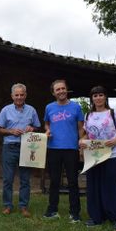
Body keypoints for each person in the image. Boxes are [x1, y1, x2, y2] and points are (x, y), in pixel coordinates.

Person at [79, 86, 116, 231]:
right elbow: (87, 134)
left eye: (100, 95)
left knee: (111, 187)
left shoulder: (113, 113)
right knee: (93, 187)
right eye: (95, 96)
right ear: (92, 99)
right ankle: (96, 217)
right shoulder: (89, 116)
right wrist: (82, 141)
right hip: (94, 156)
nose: (98, 98)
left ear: (105, 97)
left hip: (112, 155)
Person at [0, 83, 41, 217]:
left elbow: (37, 126)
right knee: (7, 179)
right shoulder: (6, 110)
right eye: (16, 95)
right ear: (12, 96)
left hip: (27, 147)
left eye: (22, 95)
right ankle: (7, 206)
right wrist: (10, 131)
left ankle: (23, 206)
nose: (19, 97)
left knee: (25, 179)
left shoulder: (31, 110)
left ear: (25, 95)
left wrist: (32, 129)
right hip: (10, 147)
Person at [43, 79, 84, 223]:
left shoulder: (76, 107)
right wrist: (47, 131)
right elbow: (47, 124)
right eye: (57, 89)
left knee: (73, 182)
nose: (61, 91)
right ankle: (52, 210)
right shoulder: (49, 108)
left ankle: (75, 213)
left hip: (71, 149)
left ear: (67, 90)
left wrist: (81, 146)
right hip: (53, 148)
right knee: (54, 181)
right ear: (53, 93)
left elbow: (80, 128)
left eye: (63, 88)